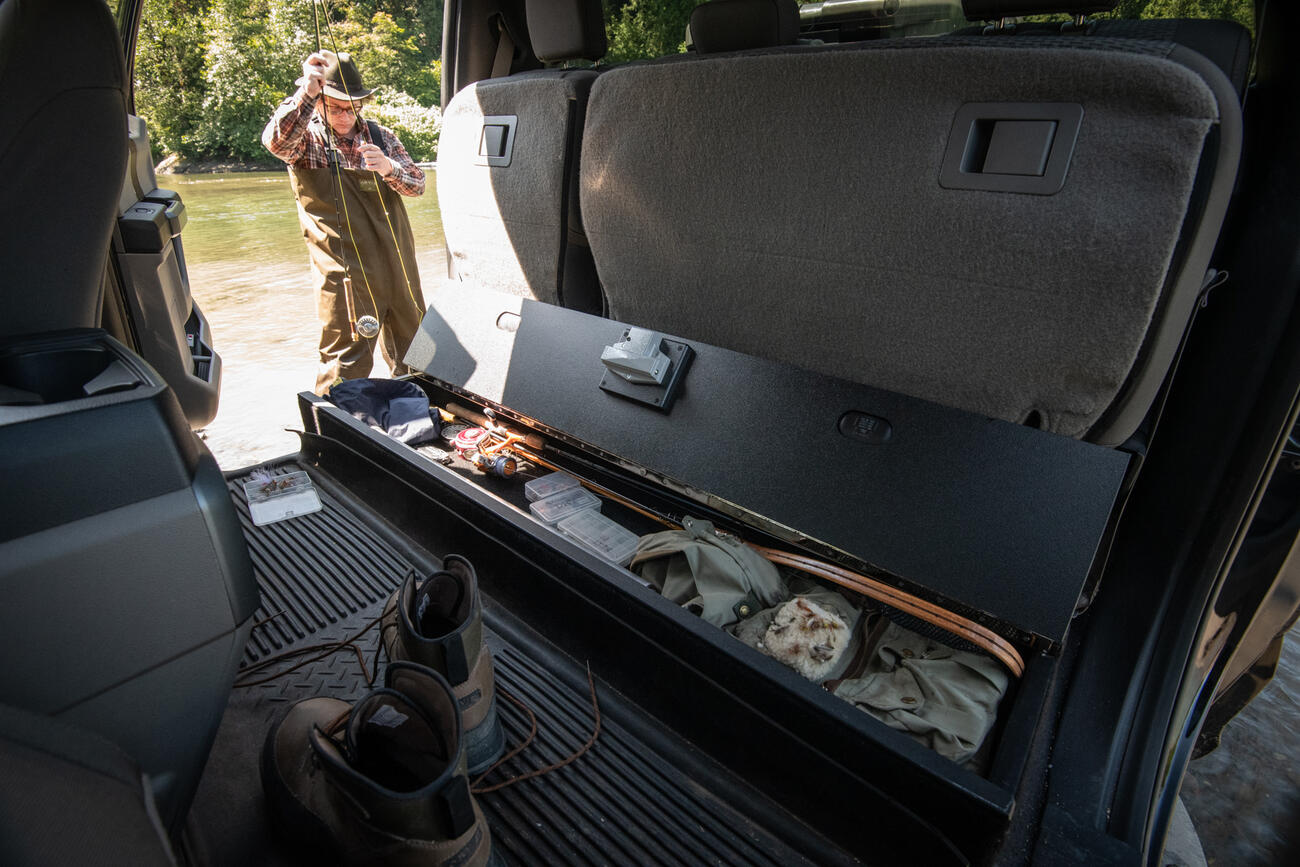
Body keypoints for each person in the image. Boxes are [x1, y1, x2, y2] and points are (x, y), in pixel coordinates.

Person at [262, 50, 427, 395]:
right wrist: (306, 92)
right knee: (346, 361)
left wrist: (388, 168)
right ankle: (336, 431)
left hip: (398, 268)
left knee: (417, 350)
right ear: (320, 102)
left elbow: (418, 185)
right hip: (345, 277)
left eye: (350, 107)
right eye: (334, 106)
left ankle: (418, 415)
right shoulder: (308, 140)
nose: (342, 115)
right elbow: (276, 142)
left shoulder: (382, 137)